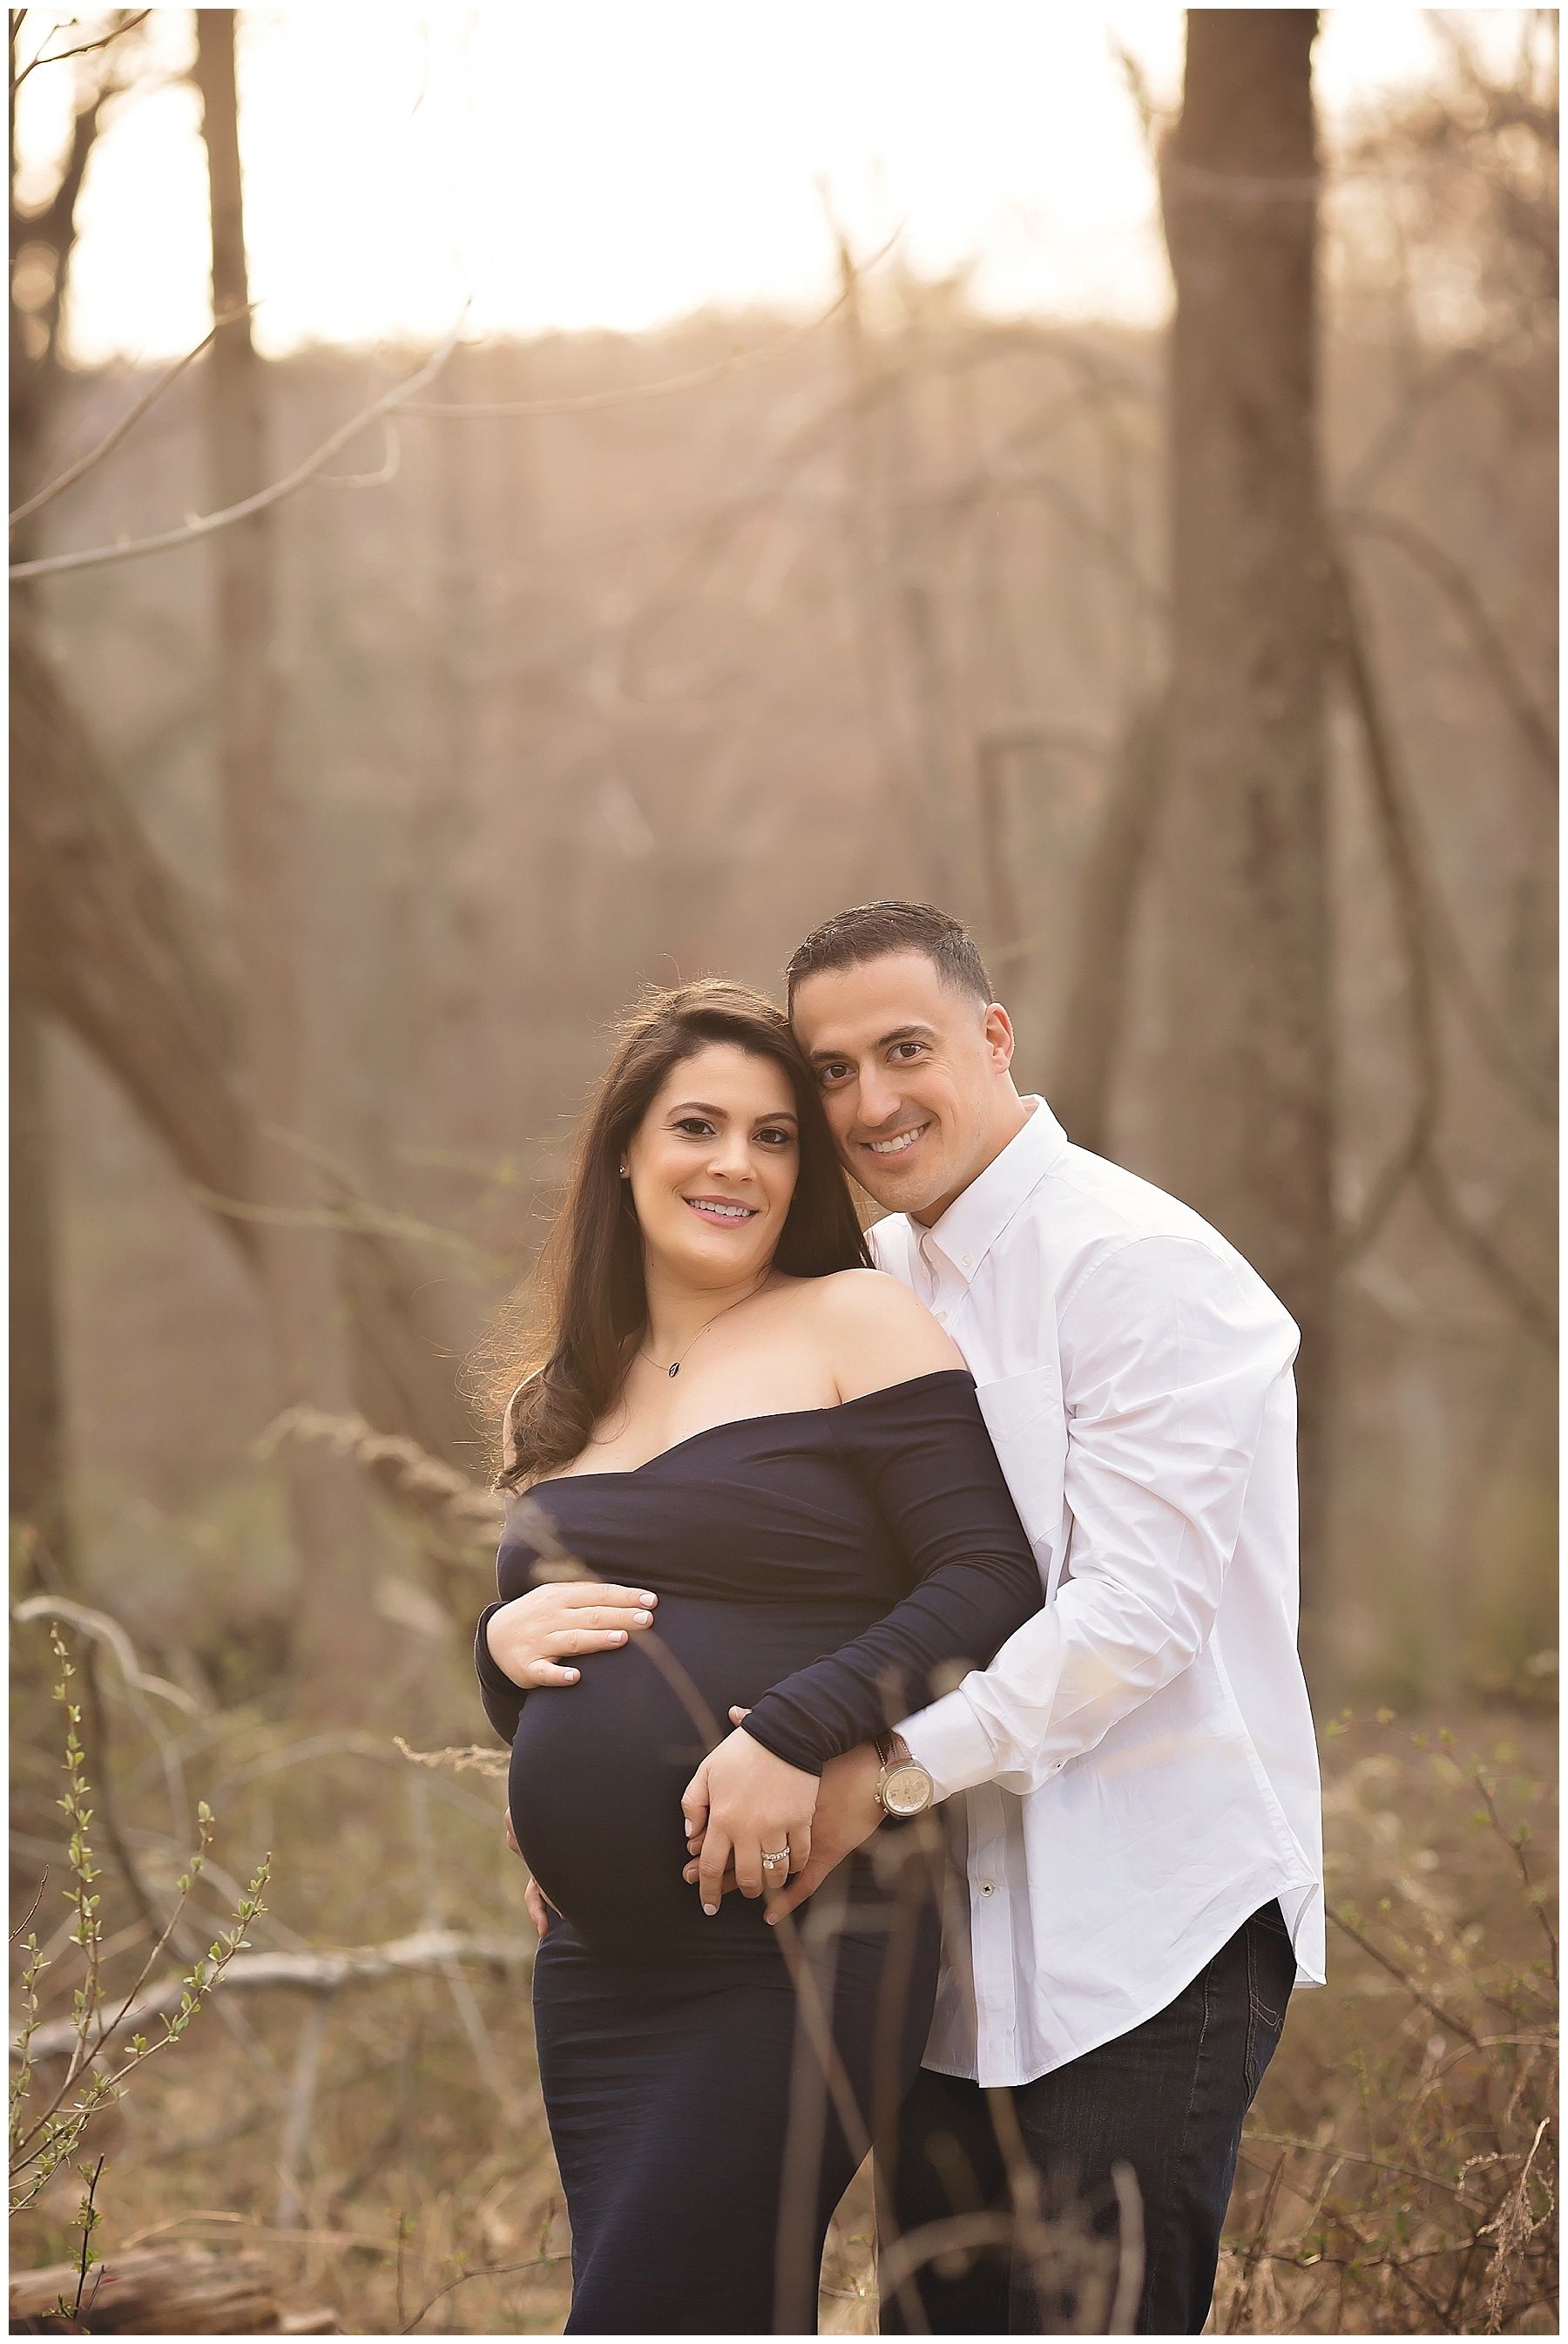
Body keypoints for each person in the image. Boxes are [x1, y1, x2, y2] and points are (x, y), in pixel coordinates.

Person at [524, 904, 1327, 2334]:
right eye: (830, 1071)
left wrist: (873, 1763)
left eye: (906, 1050)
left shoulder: (1140, 1263)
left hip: (1136, 1929)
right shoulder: (877, 1278)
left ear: (994, 1037)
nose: (868, 1101)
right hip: (946, 1947)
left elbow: (1131, 1617)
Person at [470, 979, 1045, 2334]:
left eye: (777, 1135)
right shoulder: (569, 1389)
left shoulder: (854, 1319)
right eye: (698, 1125)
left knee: (657, 2306)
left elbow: (989, 1575)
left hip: (800, 1931)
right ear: (626, 1148)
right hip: (599, 1963)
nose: (736, 1162)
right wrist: (497, 1656)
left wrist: (799, 1727)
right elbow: (573, 1651)